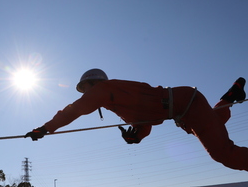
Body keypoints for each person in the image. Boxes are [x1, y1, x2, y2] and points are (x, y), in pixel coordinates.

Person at [25, 69, 248, 171]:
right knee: (207, 125)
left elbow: (74, 110)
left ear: (93, 84)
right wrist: (137, 136)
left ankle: (229, 98)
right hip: (185, 107)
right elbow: (145, 122)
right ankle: (230, 97)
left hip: (185, 104)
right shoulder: (116, 100)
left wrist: (45, 128)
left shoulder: (103, 90)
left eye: (84, 89)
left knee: (223, 154)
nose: (84, 94)